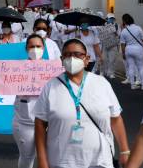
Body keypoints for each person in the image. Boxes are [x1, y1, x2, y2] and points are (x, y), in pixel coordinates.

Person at [34, 38, 130, 168]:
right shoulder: (50, 86)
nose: (72, 58)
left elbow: (116, 119)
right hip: (61, 162)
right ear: (61, 59)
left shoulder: (101, 83)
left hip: (100, 161)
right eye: (67, 55)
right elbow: (40, 124)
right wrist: (42, 160)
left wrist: (124, 150)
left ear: (87, 59)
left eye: (77, 54)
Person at [0, 34, 48, 168]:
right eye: (32, 46)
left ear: (43, 48)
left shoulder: (52, 69)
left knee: (48, 156)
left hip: (48, 123)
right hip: (25, 123)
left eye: (38, 46)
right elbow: (4, 84)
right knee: (27, 157)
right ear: (26, 48)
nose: (35, 49)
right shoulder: (16, 69)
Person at [120, 14, 143, 90]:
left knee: (131, 67)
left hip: (128, 49)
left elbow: (122, 44)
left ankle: (132, 85)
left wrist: (123, 53)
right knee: (141, 67)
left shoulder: (124, 31)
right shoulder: (138, 28)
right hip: (138, 49)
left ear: (124, 21)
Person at [101, 13, 121, 79]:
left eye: (112, 18)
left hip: (113, 45)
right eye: (110, 18)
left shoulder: (116, 25)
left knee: (112, 60)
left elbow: (119, 35)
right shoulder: (103, 25)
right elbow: (100, 34)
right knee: (104, 59)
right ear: (107, 19)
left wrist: (115, 31)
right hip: (105, 44)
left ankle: (111, 73)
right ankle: (103, 72)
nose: (111, 20)